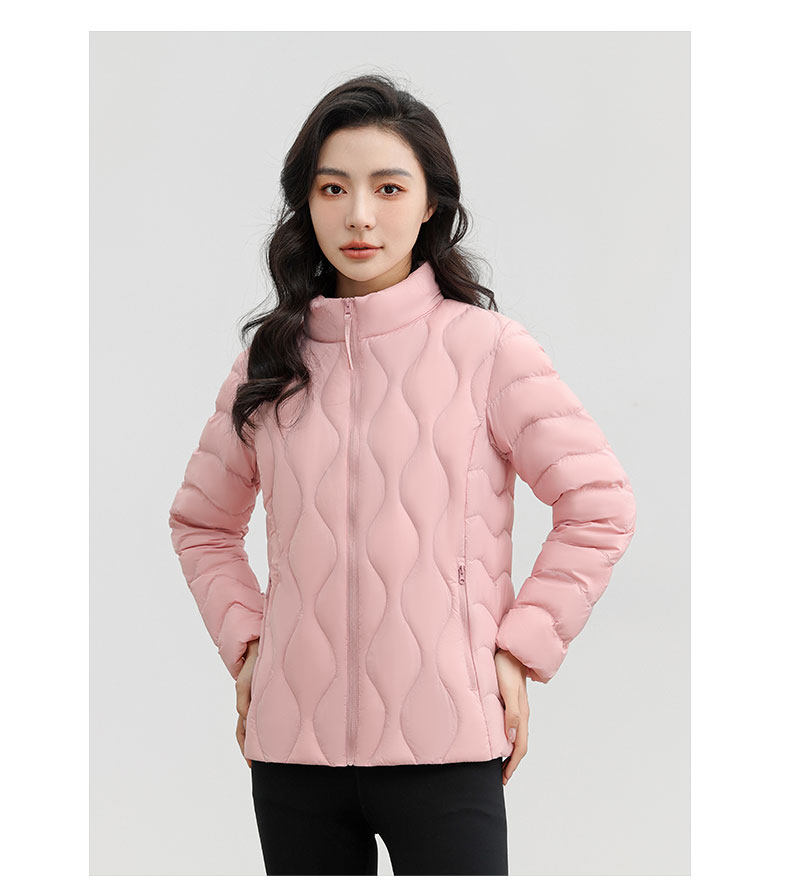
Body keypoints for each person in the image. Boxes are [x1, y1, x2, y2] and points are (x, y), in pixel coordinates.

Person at [167, 74, 636, 876]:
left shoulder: (489, 350)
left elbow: (599, 504)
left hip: (448, 746)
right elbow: (202, 523)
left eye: (388, 188)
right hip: (293, 758)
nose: (359, 215)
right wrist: (249, 645)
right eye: (333, 188)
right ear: (306, 204)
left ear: (428, 205)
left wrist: (519, 649)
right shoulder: (268, 364)